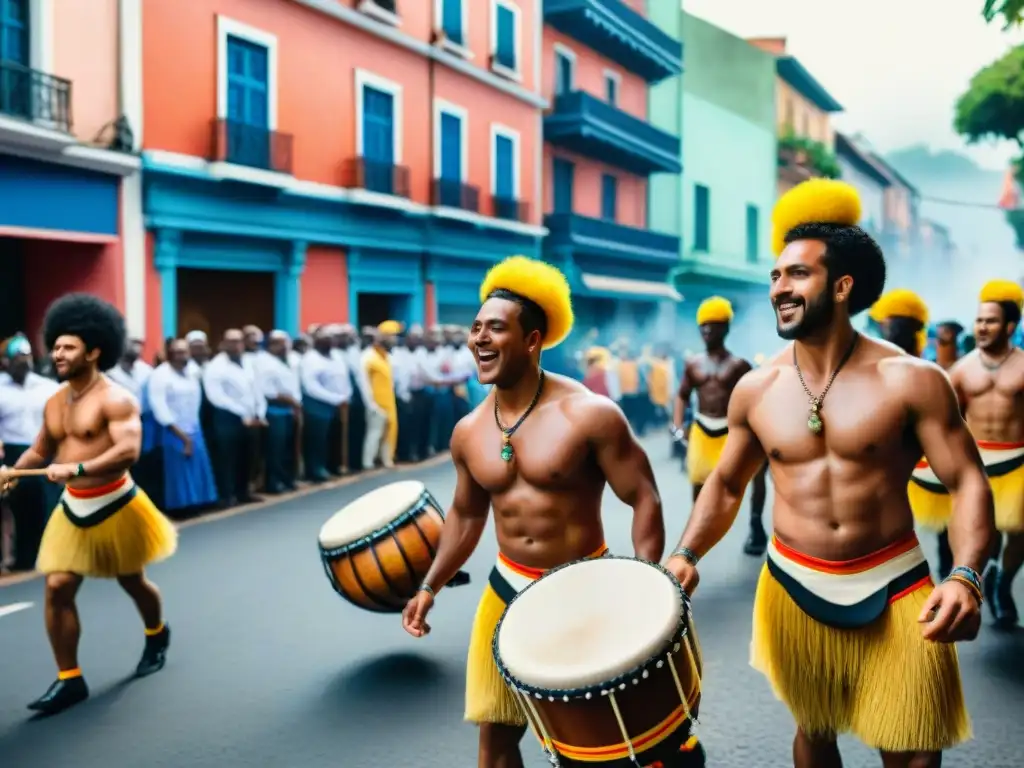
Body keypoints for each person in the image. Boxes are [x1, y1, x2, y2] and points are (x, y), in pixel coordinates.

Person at [665, 179, 993, 767]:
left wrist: (966, 575)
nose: (779, 289)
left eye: (797, 275)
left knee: (914, 751)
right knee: (814, 733)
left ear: (842, 287)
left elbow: (968, 480)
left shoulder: (912, 380)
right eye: (775, 276)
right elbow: (727, 483)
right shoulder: (756, 389)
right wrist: (687, 552)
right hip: (794, 585)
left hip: (895, 585)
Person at [400, 256, 677, 768]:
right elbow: (465, 516)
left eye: (496, 328)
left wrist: (649, 580)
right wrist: (428, 586)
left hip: (582, 591)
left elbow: (643, 496)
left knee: (601, 743)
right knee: (496, 741)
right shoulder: (467, 431)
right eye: (475, 328)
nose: (479, 339)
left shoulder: (588, 413)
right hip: (505, 593)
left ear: (532, 340)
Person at [0, 294, 178, 716]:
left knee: (132, 581)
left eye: (68, 347)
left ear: (94, 351)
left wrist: (77, 469)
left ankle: (156, 632)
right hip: (73, 508)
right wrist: (10, 473)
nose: (57, 354)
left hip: (117, 504)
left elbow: (127, 452)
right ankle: (69, 679)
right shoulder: (55, 402)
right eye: (56, 346)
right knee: (57, 586)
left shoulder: (117, 399)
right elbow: (40, 451)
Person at [948, 279, 1024, 630]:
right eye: (979, 320)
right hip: (979, 465)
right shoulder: (961, 370)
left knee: (1020, 533)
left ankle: (1003, 585)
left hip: (1018, 464)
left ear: (1009, 326)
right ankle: (986, 581)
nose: (981, 327)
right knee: (985, 535)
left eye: (990, 321)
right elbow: (946, 423)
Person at [673, 297, 769, 556]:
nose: (707, 332)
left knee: (756, 474)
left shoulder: (739, 365)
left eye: (713, 326)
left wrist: (760, 432)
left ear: (725, 328)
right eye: (703, 327)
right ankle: (697, 534)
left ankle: (756, 523)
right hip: (702, 429)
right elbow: (682, 394)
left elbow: (756, 399)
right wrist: (677, 425)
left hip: (733, 430)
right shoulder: (693, 364)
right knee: (697, 482)